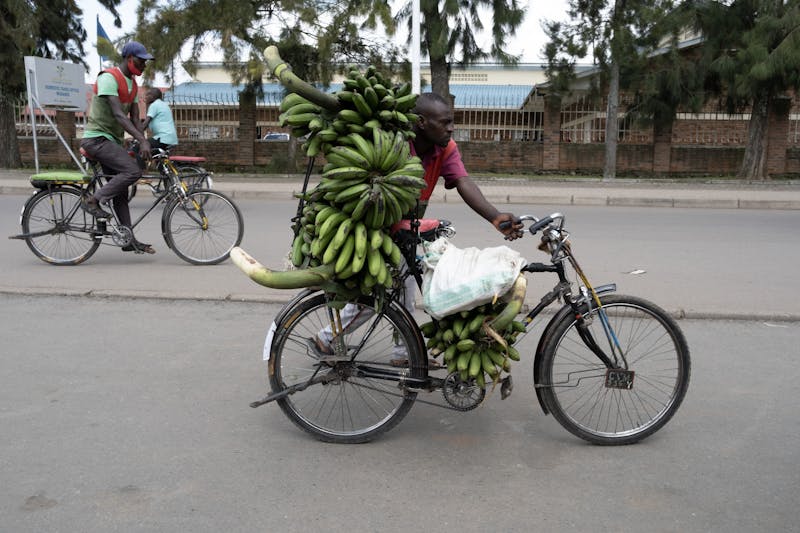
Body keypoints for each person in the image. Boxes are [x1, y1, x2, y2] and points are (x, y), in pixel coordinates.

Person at [309, 92, 525, 365]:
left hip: (407, 228)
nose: (451, 128)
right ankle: (326, 337)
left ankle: (401, 352)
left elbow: (462, 181)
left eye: (451, 122)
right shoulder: (392, 145)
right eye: (444, 122)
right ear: (421, 122)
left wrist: (495, 217)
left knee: (407, 291)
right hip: (372, 226)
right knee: (383, 295)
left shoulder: (445, 148)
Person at [80, 41, 155, 254]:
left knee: (121, 192)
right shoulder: (108, 78)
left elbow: (134, 118)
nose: (144, 65)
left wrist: (145, 138)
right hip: (96, 140)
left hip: (110, 142)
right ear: (129, 58)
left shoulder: (132, 85)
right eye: (141, 61)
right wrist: (141, 140)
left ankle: (128, 239)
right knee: (132, 171)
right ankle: (93, 200)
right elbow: (119, 115)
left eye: (146, 62)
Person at [141, 87, 178, 152]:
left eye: (148, 95)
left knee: (139, 146)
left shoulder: (154, 105)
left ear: (153, 96)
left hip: (163, 138)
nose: (146, 97)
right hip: (171, 139)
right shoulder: (164, 104)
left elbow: (146, 123)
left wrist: (135, 134)